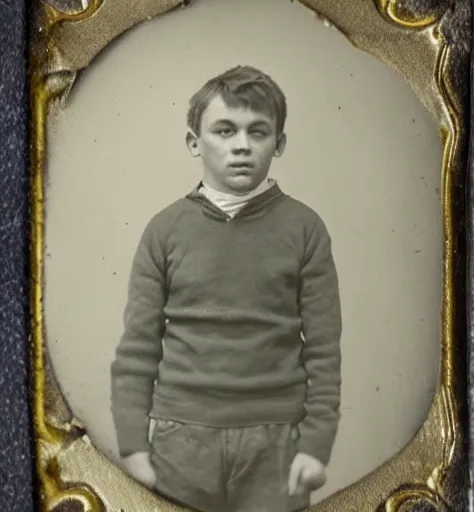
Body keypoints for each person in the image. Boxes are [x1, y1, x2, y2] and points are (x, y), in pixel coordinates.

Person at [110, 64, 342, 512]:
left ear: (280, 143)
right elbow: (137, 347)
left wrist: (315, 445)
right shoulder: (165, 230)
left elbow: (324, 350)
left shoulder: (305, 228)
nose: (241, 146)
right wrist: (133, 447)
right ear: (194, 142)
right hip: (181, 439)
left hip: (277, 440)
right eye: (224, 130)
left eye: (258, 132)